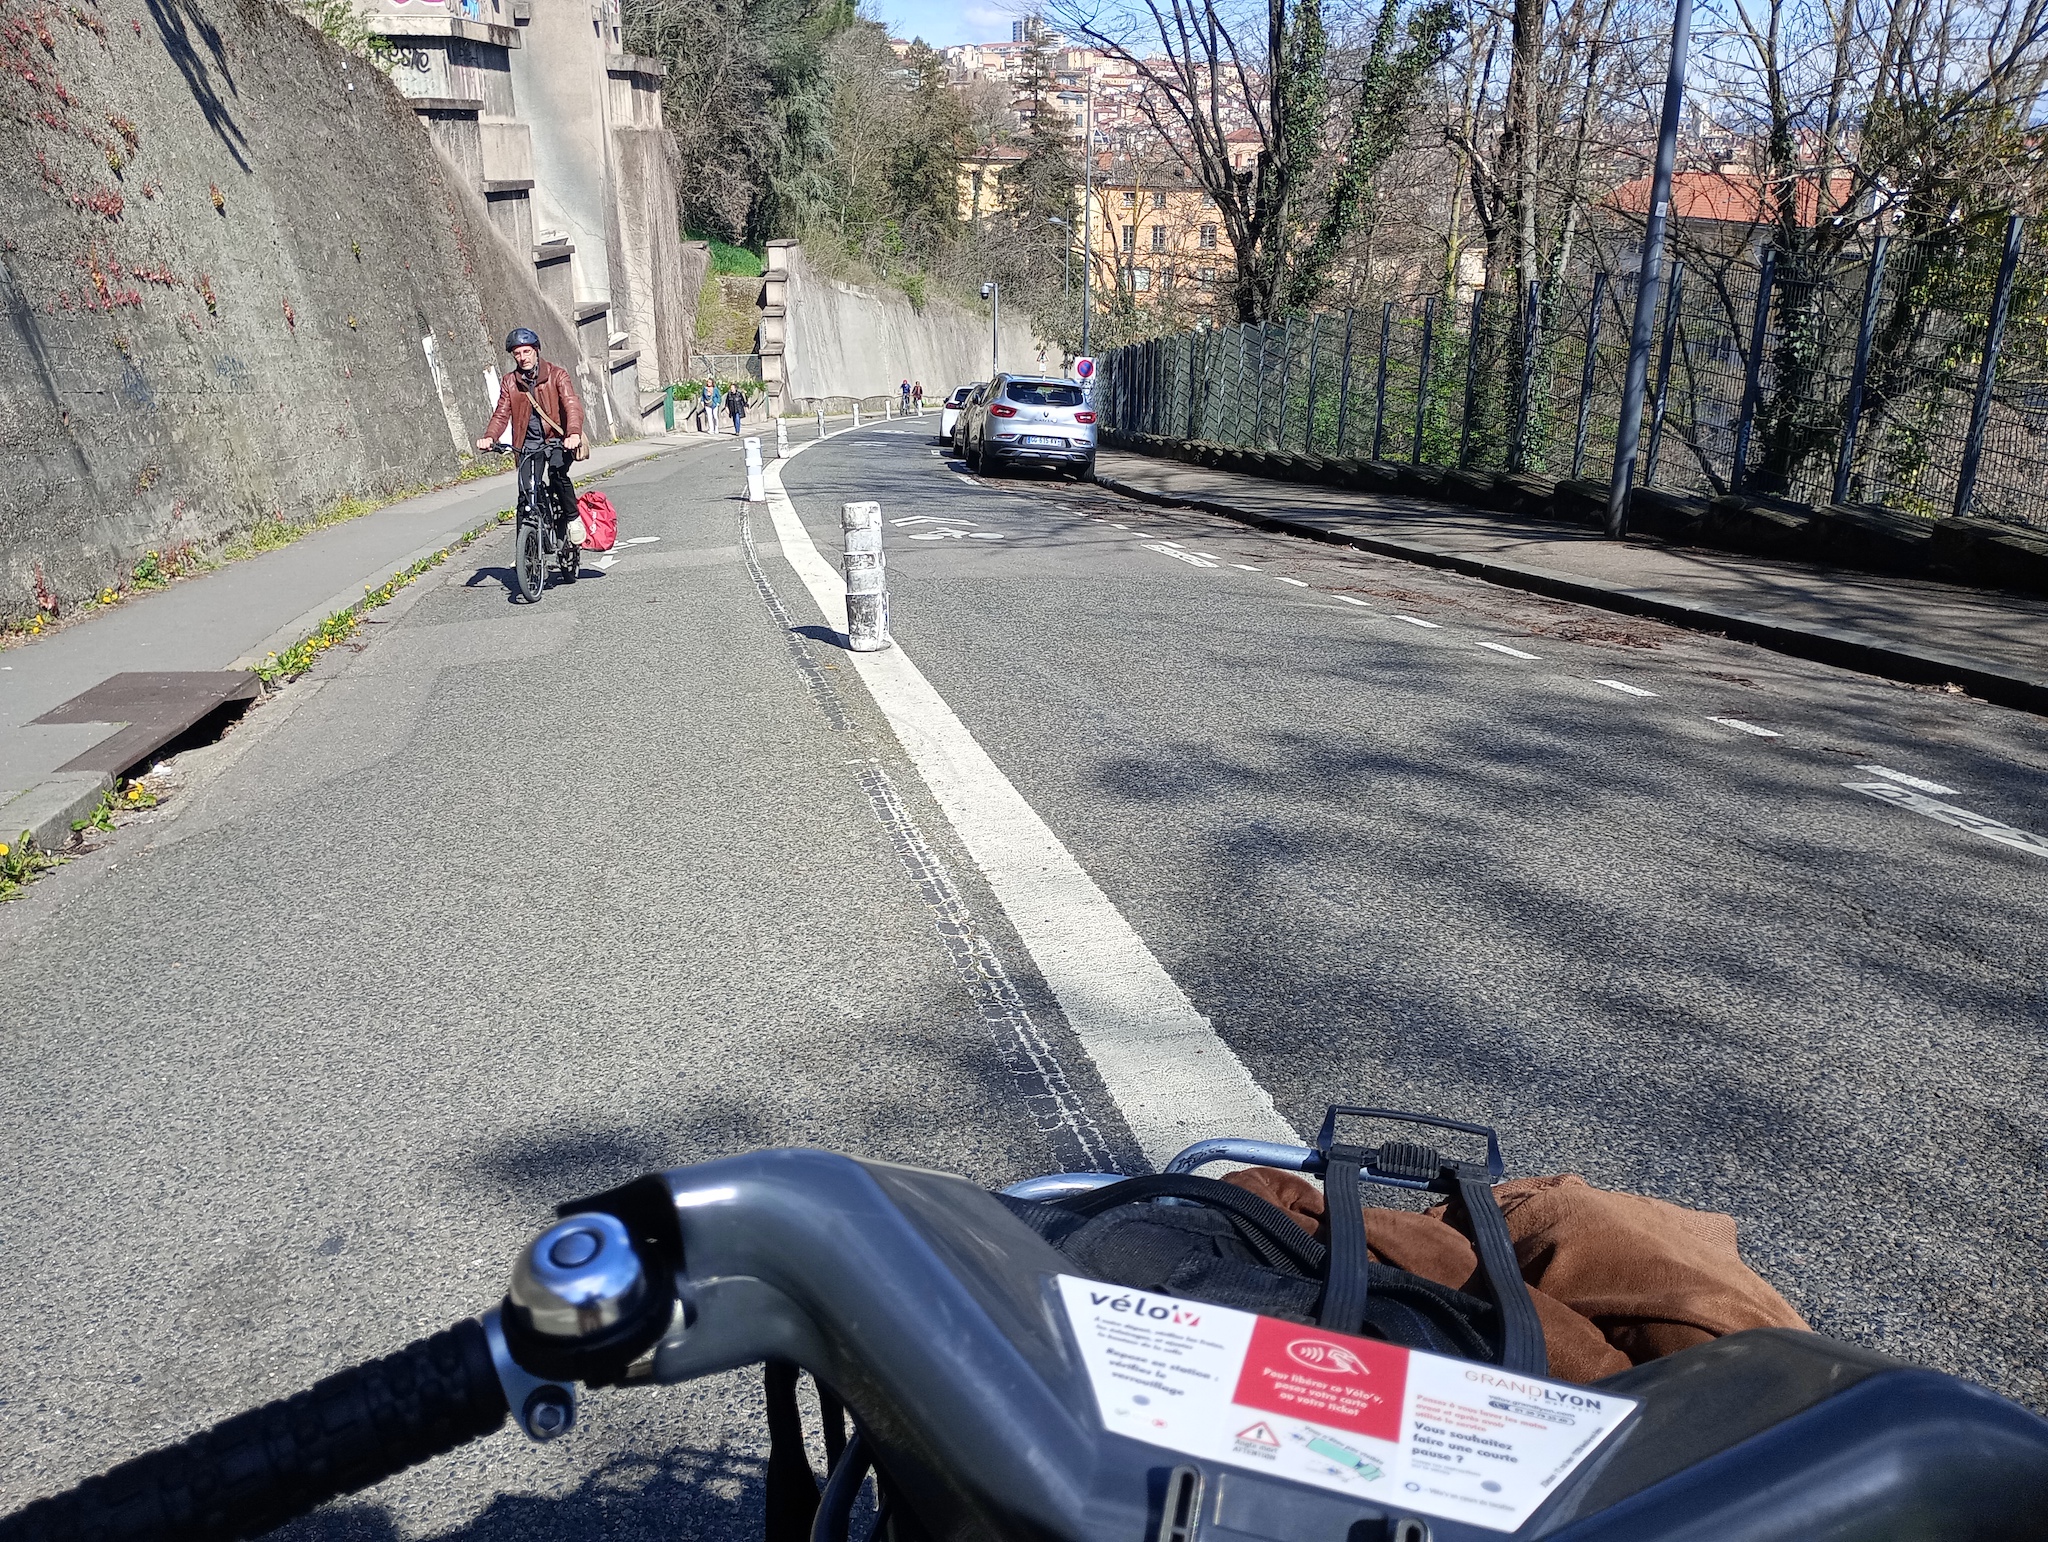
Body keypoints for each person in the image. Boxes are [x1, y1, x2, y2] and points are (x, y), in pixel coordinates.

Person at [479, 328, 583, 541]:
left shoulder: (557, 375)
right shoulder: (510, 382)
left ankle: (573, 519)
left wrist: (573, 433)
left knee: (557, 474)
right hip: (529, 444)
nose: (522, 357)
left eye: (526, 351)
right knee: (526, 493)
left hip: (557, 441)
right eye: (517, 353)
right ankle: (525, 551)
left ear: (536, 351)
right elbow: (501, 413)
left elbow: (572, 404)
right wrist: (491, 437)